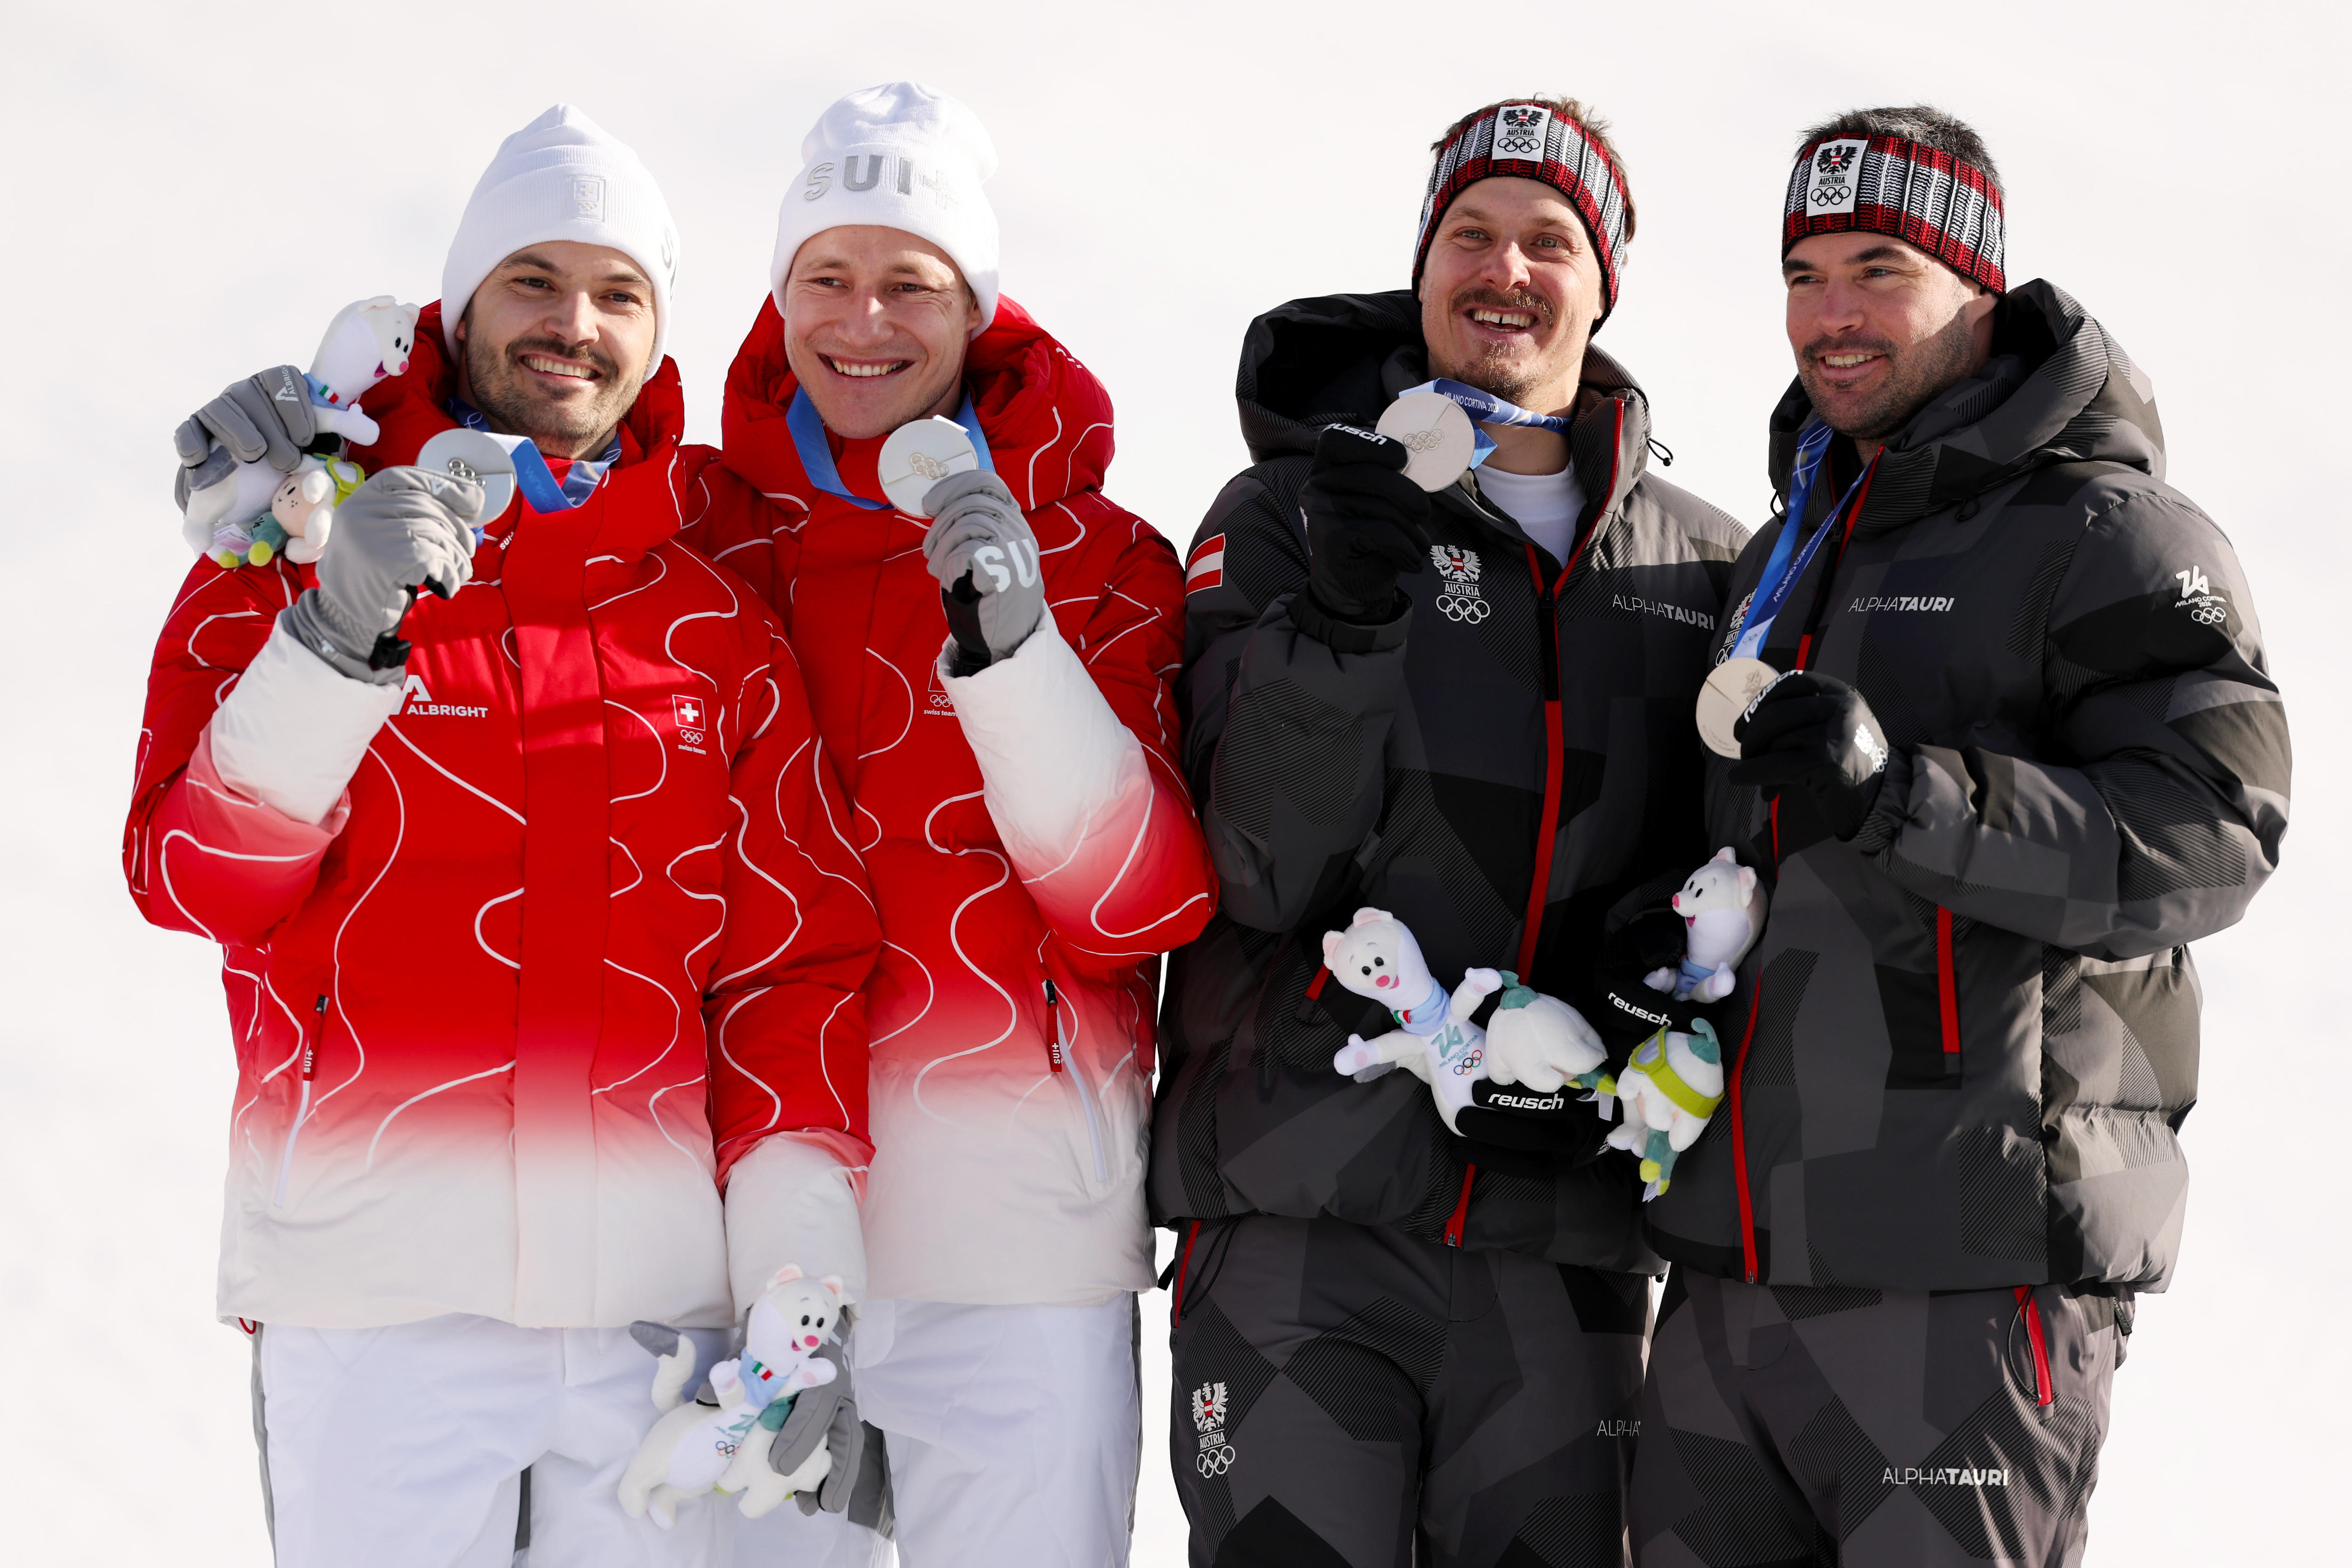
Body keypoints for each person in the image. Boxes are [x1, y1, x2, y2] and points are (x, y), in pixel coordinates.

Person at [128, 106, 881, 1567]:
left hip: (650, 1325)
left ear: (657, 336)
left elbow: (789, 979)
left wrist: (803, 1288)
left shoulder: (714, 624)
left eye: (618, 293)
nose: (573, 325)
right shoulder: (300, 548)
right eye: (533, 279)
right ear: (461, 306)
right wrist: (336, 636)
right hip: (374, 1306)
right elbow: (194, 878)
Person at [1630, 106, 2290, 1567]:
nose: (1834, 314)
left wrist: (1909, 795)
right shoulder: (1788, 549)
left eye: (1881, 268)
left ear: (1980, 287)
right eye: (1805, 274)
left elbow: (2216, 826)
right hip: (1733, 1273)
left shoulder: (2110, 534)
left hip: (1965, 1277)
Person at [1154, 97, 1748, 1567]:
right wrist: (1343, 624)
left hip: (1564, 1254)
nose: (1506, 269)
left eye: (1550, 240)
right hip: (1304, 1217)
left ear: (1606, 285)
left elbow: (1728, 892)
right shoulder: (1293, 510)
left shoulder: (1707, 567)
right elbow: (1260, 864)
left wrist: (1644, 976)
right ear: (1422, 268)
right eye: (1470, 233)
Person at [683, 84, 1217, 1568]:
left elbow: (1138, 906)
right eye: (826, 276)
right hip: (744, 1251)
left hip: (1018, 1250)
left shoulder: (1101, 557)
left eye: (911, 283)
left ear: (977, 308)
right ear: (778, 295)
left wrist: (1018, 652)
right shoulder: (702, 539)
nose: (864, 322)